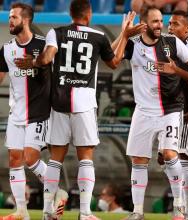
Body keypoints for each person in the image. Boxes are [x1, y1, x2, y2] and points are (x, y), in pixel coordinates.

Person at [15, 1, 144, 219]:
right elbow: (113, 61)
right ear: (90, 14)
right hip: (84, 103)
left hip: (59, 103)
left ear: (70, 13)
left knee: (56, 159)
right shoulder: (97, 36)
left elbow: (46, 58)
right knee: (86, 158)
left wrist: (34, 62)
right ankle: (84, 212)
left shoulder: (56, 33)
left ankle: (48, 211)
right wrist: (126, 35)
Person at [113, 6, 188, 220]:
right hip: (143, 111)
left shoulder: (172, 43)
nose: (160, 25)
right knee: (138, 160)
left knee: (170, 154)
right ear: (143, 25)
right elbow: (112, 60)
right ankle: (138, 212)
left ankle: (179, 209)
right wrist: (124, 34)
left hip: (170, 110)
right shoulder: (133, 47)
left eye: (161, 21)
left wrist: (177, 71)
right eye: (155, 22)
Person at [0, 3, 67, 220]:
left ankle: (58, 192)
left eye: (14, 17)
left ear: (26, 20)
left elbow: (57, 72)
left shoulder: (43, 45)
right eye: (9, 17)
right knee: (14, 159)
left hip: (39, 111)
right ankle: (22, 211)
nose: (10, 21)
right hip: (16, 113)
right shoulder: (7, 49)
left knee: (30, 158)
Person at [166, 10, 188, 219]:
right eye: (169, 23)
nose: (170, 27)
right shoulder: (172, 46)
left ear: (187, 28)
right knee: (179, 158)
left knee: (186, 158)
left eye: (176, 24)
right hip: (177, 111)